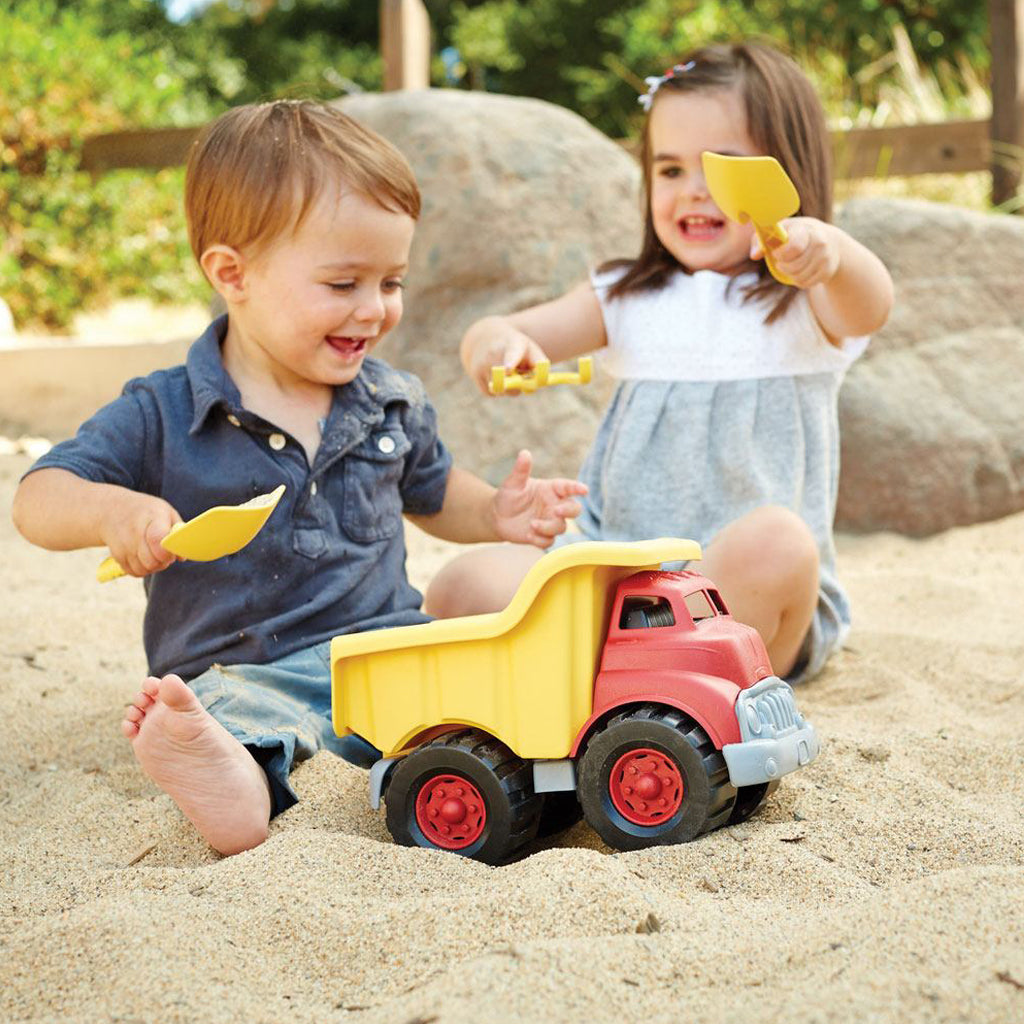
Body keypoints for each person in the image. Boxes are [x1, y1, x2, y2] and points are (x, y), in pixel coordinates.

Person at [10, 100, 586, 856]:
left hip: (385, 650)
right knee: (234, 727)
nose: (376, 309)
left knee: (483, 658)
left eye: (392, 281)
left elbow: (436, 493)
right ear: (232, 273)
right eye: (345, 283)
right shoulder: (164, 409)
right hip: (246, 668)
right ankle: (227, 785)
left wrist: (499, 512)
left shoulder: (389, 398)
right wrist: (112, 512)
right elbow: (37, 497)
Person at [427, 42, 894, 688]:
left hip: (731, 600)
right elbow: (500, 328)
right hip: (610, 578)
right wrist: (497, 346)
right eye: (670, 170)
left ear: (788, 173)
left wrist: (830, 252)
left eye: (723, 168)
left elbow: (871, 304)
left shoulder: (806, 306)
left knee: (780, 543)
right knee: (460, 586)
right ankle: (634, 676)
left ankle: (652, 678)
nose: (693, 191)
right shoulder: (627, 295)